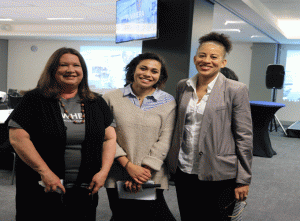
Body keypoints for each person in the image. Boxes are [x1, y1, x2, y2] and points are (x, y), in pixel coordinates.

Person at [6, 47, 116, 221]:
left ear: (83, 71)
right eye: (63, 65)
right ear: (53, 70)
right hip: (42, 186)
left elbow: (109, 138)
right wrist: (45, 172)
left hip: (84, 188)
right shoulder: (34, 99)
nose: (71, 70)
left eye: (76, 65)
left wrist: (104, 172)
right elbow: (17, 138)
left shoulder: (95, 101)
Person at [166, 32, 253, 221]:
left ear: (223, 62)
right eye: (203, 55)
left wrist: (243, 179)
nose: (207, 60)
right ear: (195, 58)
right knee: (189, 217)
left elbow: (244, 137)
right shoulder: (183, 86)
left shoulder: (235, 89)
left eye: (214, 57)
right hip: (185, 169)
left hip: (219, 172)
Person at [103, 52, 176, 221]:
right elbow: (105, 136)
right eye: (143, 68)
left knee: (155, 216)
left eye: (154, 71)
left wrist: (143, 172)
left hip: (150, 174)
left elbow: (166, 140)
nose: (148, 74)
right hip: (118, 173)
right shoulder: (110, 98)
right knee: (123, 216)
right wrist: (128, 166)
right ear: (133, 70)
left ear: (160, 76)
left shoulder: (168, 102)